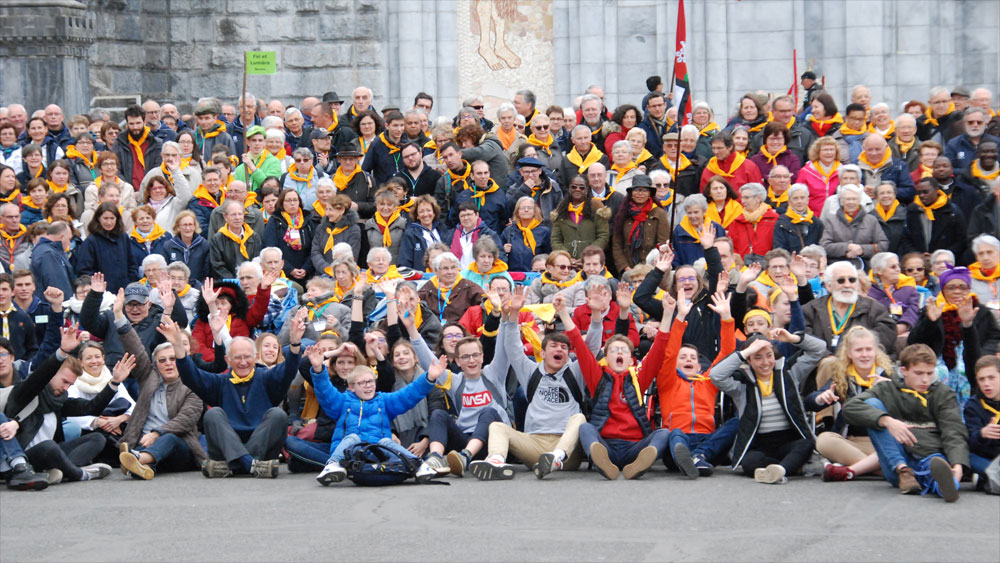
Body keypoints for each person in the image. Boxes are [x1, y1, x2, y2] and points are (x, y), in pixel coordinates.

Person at [163, 309, 304, 478]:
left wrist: (295, 343)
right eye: (237, 358)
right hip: (227, 448)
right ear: (228, 360)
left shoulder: (267, 378)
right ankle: (249, 464)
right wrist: (178, 346)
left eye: (247, 357)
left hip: (261, 448)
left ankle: (235, 466)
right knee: (213, 413)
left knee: (278, 414)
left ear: (256, 357)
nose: (243, 362)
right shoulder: (219, 382)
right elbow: (190, 376)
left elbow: (288, 369)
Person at [469, 292, 588, 480]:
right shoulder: (531, 371)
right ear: (542, 352)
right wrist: (514, 313)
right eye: (554, 346)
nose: (559, 350)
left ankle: (556, 457)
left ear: (568, 354)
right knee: (497, 427)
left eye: (564, 348)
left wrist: (595, 319)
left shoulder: (575, 372)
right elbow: (513, 348)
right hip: (535, 444)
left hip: (567, 450)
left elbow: (591, 349)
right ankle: (496, 461)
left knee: (580, 418)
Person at [842, 344, 968, 502]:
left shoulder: (943, 393)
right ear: (904, 370)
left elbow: (953, 431)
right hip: (897, 460)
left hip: (930, 454)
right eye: (919, 373)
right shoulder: (886, 388)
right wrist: (886, 420)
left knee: (934, 467)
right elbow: (850, 407)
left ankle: (945, 485)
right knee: (873, 406)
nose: (925, 379)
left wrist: (958, 465)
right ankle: (905, 472)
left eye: (930, 373)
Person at [3, 324, 126, 483]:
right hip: (24, 457)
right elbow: (42, 374)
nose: (66, 388)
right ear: (53, 374)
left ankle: (61, 470)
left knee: (97, 438)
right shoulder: (26, 391)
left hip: (51, 454)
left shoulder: (58, 401)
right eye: (64, 381)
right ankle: (79, 474)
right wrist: (62, 352)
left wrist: (114, 383)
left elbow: (91, 408)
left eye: (70, 384)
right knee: (49, 446)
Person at [306, 346, 445, 485]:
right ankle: (333, 465)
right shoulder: (343, 401)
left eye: (371, 381)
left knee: (386, 441)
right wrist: (318, 369)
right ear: (352, 387)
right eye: (362, 383)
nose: (368, 386)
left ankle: (419, 466)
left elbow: (408, 395)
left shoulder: (383, 400)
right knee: (353, 437)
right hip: (350, 453)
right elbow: (325, 392)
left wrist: (429, 377)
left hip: (378, 453)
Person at [710, 329, 827, 484]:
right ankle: (793, 467)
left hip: (788, 440)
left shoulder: (788, 373)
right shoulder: (741, 383)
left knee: (806, 443)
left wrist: (792, 338)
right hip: (760, 444)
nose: (765, 362)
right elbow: (715, 375)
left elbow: (819, 348)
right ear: (749, 361)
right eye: (757, 357)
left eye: (769, 355)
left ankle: (780, 470)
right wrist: (747, 351)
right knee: (750, 463)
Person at [657, 291, 739, 478]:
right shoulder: (668, 380)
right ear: (676, 364)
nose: (688, 360)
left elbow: (727, 353)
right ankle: (690, 457)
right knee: (675, 434)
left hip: (706, 439)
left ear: (699, 365)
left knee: (737, 422)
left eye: (692, 358)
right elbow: (669, 353)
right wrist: (681, 316)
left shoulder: (708, 381)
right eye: (683, 357)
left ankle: (698, 456)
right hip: (678, 440)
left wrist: (726, 318)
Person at [809, 326, 895, 482]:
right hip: (853, 442)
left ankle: (854, 469)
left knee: (902, 448)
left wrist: (894, 390)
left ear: (876, 351)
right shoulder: (843, 378)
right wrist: (821, 398)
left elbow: (912, 404)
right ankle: (881, 469)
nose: (864, 355)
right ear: (849, 354)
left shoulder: (890, 376)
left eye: (869, 349)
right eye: (859, 350)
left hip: (884, 441)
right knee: (824, 440)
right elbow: (810, 402)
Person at [907, 265, 1000, 408]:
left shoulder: (980, 311)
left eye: (962, 287)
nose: (957, 291)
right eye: (951, 287)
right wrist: (930, 322)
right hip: (939, 363)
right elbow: (913, 343)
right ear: (943, 290)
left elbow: (993, 337)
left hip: (972, 362)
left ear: (969, 289)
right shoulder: (932, 309)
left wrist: (983, 356)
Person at [802, 261, 898, 354]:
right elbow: (805, 340)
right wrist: (828, 356)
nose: (847, 285)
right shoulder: (811, 310)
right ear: (829, 285)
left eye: (852, 280)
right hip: (822, 365)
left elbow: (886, 338)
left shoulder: (875, 309)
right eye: (841, 281)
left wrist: (850, 355)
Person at [75, 203, 138, 293]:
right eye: (105, 218)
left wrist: (129, 283)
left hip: (124, 290)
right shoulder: (91, 241)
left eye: (112, 218)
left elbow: (132, 264)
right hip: (101, 293)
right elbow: (84, 270)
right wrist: (98, 287)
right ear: (98, 218)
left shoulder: (123, 238)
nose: (109, 222)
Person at [819, 184, 888, 266]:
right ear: (841, 201)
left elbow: (883, 245)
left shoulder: (871, 220)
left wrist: (862, 249)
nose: (851, 202)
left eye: (854, 199)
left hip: (865, 266)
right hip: (838, 265)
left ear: (859, 200)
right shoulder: (832, 220)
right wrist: (847, 247)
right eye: (848, 199)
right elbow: (824, 246)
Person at [549, 174, 611, 262]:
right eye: (574, 187)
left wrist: (588, 255)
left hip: (592, 261)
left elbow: (603, 236)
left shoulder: (596, 207)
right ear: (569, 189)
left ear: (587, 190)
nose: (577, 189)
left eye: (582, 187)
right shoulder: (561, 210)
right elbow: (555, 239)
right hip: (567, 263)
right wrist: (566, 256)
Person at [899, 177, 966, 259]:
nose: (922, 195)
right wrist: (918, 256)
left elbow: (961, 240)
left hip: (945, 261)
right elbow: (905, 238)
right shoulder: (912, 211)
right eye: (919, 193)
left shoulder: (952, 211)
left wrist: (939, 256)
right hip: (919, 262)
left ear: (936, 190)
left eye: (925, 192)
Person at [262, 189, 313, 284]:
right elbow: (271, 247)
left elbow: (314, 247)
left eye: (295, 200)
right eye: (288, 200)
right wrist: (290, 269)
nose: (292, 203)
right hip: (283, 273)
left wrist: (306, 268)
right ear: (282, 203)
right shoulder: (274, 220)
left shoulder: (308, 220)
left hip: (306, 272)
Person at [964, 356, 1000, 492]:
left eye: (991, 378)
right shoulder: (974, 405)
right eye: (981, 379)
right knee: (965, 455)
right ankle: (991, 477)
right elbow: (970, 440)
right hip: (985, 458)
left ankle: (987, 480)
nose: (986, 384)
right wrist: (982, 434)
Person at [417, 252, 484, 323]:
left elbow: (485, 305)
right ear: (436, 271)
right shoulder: (426, 289)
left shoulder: (470, 287)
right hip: (435, 332)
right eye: (445, 268)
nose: (450, 272)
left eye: (453, 267)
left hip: (462, 331)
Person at [867, 252, 920, 337]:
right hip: (877, 333)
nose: (898, 269)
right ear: (879, 270)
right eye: (893, 267)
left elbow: (913, 309)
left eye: (898, 265)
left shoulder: (908, 286)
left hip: (904, 332)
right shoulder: (867, 289)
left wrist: (904, 325)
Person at [114, 105, 163, 190]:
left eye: (138, 123)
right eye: (131, 124)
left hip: (151, 190)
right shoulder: (119, 143)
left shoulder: (156, 143)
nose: (135, 127)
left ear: (144, 122)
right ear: (127, 124)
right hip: (126, 191)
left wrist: (147, 190)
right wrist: (128, 189)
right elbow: (116, 169)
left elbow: (158, 169)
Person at [210, 200, 263, 279]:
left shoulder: (253, 237)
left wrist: (247, 278)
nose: (237, 218)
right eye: (233, 215)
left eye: (240, 214)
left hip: (250, 281)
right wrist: (234, 281)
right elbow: (217, 265)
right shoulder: (218, 239)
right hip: (228, 283)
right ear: (225, 217)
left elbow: (257, 261)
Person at [728, 183, 779, 263]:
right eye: (742, 198)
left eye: (746, 198)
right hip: (743, 267)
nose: (743, 201)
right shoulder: (736, 222)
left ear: (758, 198)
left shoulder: (774, 219)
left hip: (768, 266)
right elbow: (731, 247)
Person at [501, 197, 550, 272]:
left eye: (529, 208)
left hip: (536, 275)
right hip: (513, 274)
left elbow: (549, 256)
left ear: (534, 211)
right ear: (517, 211)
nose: (526, 210)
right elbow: (499, 254)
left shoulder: (544, 232)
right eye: (523, 208)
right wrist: (503, 250)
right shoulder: (508, 231)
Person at [161, 210, 211, 285]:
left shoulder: (204, 245)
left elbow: (208, 272)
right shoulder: (168, 246)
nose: (188, 228)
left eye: (190, 225)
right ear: (178, 227)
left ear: (195, 226)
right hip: (174, 287)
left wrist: (200, 287)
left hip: (197, 288)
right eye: (184, 225)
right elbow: (164, 271)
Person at [29, 221, 75, 299]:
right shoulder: (49, 254)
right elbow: (57, 286)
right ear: (61, 237)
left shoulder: (47, 250)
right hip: (53, 306)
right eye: (69, 239)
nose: (69, 243)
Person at [772, 184, 823, 254]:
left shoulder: (816, 222)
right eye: (795, 198)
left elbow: (821, 247)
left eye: (802, 198)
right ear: (789, 202)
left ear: (807, 200)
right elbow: (779, 248)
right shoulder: (781, 223)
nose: (799, 201)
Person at [799, 137, 843, 215]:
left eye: (832, 149)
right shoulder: (806, 171)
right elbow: (798, 195)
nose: (829, 153)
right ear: (817, 152)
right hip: (812, 217)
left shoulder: (843, 171)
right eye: (825, 150)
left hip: (836, 217)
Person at [363, 188, 408, 263]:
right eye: (382, 204)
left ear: (395, 206)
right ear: (377, 206)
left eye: (389, 204)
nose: (385, 208)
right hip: (374, 270)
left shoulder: (403, 224)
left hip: (396, 270)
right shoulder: (369, 225)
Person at [232, 126, 282, 192]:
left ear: (265, 142)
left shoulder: (274, 162)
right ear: (248, 142)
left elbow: (269, 187)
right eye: (254, 140)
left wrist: (252, 167)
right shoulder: (240, 168)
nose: (257, 144)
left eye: (260, 140)